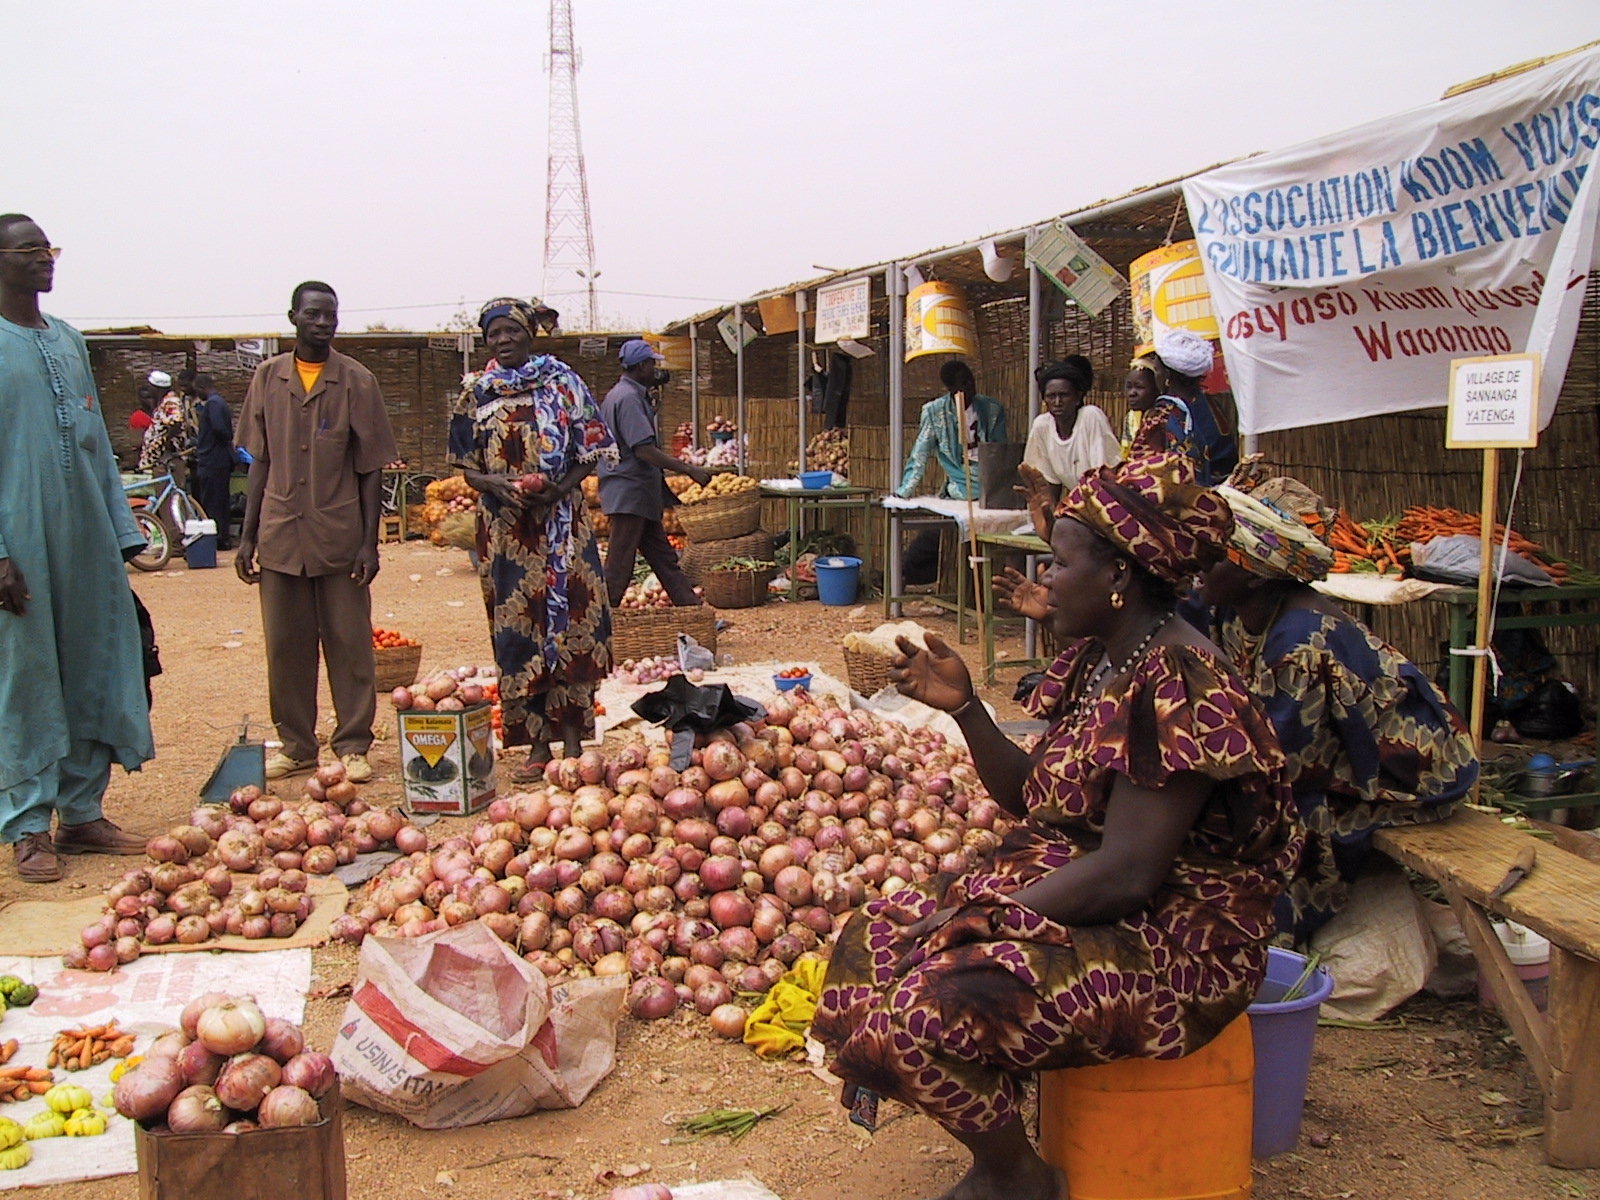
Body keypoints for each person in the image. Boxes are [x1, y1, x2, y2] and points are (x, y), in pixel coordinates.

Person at [817, 452, 1302, 1200]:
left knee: (926, 1005)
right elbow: (1038, 798)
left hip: (1174, 940)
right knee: (874, 936)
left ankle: (1016, 1179)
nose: (1044, 581)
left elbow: (1128, 872)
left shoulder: (1178, 681)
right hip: (1098, 897)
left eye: (1060, 563)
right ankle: (1002, 1135)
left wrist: (985, 917)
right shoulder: (1104, 661)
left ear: (1119, 575)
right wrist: (965, 709)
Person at [1200, 461, 1478, 943]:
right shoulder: (1232, 611)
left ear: (1257, 574)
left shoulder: (1299, 645)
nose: (1198, 561)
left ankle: (1277, 934)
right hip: (1333, 746)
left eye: (1214, 554)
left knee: (1286, 823)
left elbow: (1279, 766)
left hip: (1414, 768)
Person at [0, 213, 154, 882]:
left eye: (49, 248)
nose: (46, 259)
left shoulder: (68, 341)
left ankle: (83, 812)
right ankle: (28, 826)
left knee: (95, 663)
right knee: (27, 676)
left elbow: (95, 445)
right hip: (20, 536)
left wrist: (121, 533)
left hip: (86, 533)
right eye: (29, 250)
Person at [235, 281, 398, 783]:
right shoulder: (268, 378)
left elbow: (371, 468)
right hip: (281, 535)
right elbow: (259, 462)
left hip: (339, 536)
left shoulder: (357, 381)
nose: (323, 323)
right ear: (293, 318)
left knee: (350, 643)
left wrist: (369, 543)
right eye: (313, 314)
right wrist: (247, 536)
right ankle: (297, 745)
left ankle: (353, 744)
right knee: (286, 647)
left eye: (330, 314)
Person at [451, 299, 616, 782]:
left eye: (512, 331)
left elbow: (591, 450)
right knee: (519, 632)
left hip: (563, 525)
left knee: (574, 627)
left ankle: (573, 738)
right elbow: (466, 467)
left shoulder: (564, 383)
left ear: (529, 334)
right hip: (507, 532)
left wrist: (559, 490)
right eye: (494, 334)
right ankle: (537, 744)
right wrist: (496, 485)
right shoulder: (476, 393)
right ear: (486, 341)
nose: (503, 340)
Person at [598, 339, 710, 608]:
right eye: (651, 364)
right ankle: (599, 623)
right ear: (641, 366)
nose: (655, 370)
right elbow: (643, 450)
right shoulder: (628, 398)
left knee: (664, 560)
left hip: (636, 494)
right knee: (619, 566)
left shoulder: (625, 395)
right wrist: (688, 469)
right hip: (630, 492)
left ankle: (692, 611)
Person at [1018, 356, 1120, 539]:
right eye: (1051, 396)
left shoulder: (1091, 417)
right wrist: (1050, 521)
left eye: (1064, 395)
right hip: (1079, 514)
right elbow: (1048, 486)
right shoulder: (1042, 426)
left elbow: (1103, 481)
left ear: (1078, 397)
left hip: (1110, 509)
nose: (1057, 402)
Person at [1130, 329, 1237, 486]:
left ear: (1167, 376)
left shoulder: (1162, 414)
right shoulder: (1209, 404)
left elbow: (1139, 470)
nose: (1156, 376)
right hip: (1217, 488)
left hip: (1176, 494)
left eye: (1157, 371)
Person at [895, 359, 1008, 500]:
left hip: (989, 474)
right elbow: (920, 453)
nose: (971, 385)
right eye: (964, 383)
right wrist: (904, 491)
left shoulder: (992, 409)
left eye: (971, 379)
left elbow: (1001, 449)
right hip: (961, 478)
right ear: (952, 388)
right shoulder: (935, 412)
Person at [192, 373, 236, 550]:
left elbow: (220, 429)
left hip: (213, 460)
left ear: (202, 388)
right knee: (220, 499)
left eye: (197, 391)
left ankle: (217, 537)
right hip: (219, 459)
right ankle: (223, 537)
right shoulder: (219, 402)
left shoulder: (213, 404)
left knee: (212, 501)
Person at [138, 368, 191, 473]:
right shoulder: (163, 402)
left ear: (157, 388)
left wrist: (165, 446)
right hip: (156, 458)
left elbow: (176, 423)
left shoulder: (170, 402)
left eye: (150, 387)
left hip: (164, 458)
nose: (149, 390)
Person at [1120, 352, 1161, 456]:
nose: (1132, 393)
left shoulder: (1163, 419)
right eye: (1129, 387)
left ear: (1156, 389)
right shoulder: (1131, 418)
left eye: (1139, 387)